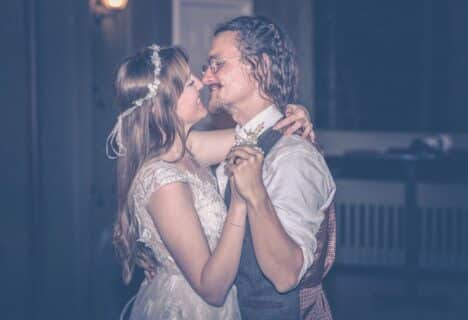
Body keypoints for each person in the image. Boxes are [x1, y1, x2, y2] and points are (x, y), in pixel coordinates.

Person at [107, 44, 314, 320]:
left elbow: (263, 133)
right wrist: (240, 201)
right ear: (164, 104)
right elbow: (212, 289)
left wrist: (296, 116)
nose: (202, 82)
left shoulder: (188, 149)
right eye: (189, 83)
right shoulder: (162, 180)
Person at [201, 16, 336, 320]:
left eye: (217, 64)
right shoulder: (236, 143)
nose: (207, 77)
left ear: (259, 67)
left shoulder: (293, 156)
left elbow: (286, 275)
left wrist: (256, 195)